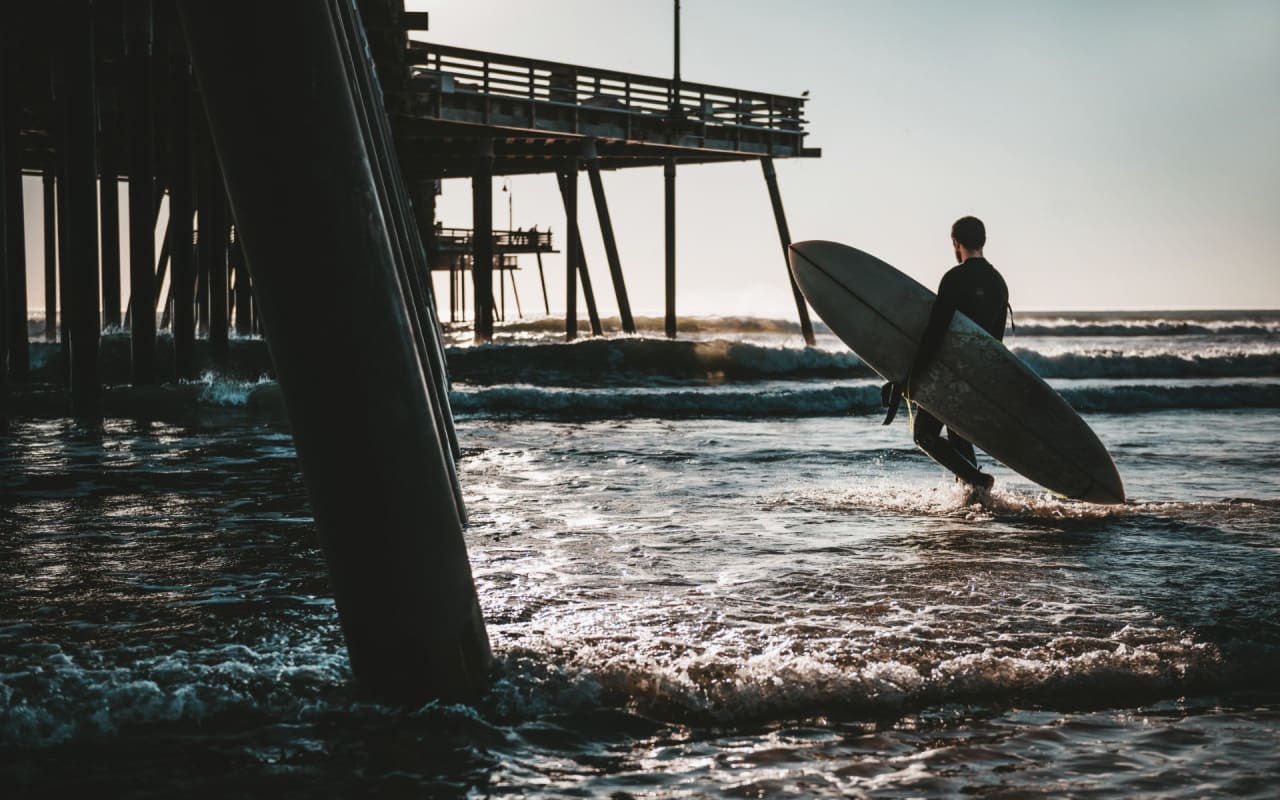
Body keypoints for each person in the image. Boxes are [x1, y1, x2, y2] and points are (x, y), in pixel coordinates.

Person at [888, 216, 1009, 493]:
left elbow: (936, 332)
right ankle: (973, 494)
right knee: (958, 434)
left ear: (956, 243)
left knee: (924, 435)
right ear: (983, 241)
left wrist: (914, 376)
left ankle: (979, 481)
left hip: (949, 372)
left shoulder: (955, 278)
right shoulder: (998, 282)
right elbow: (996, 342)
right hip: (978, 375)